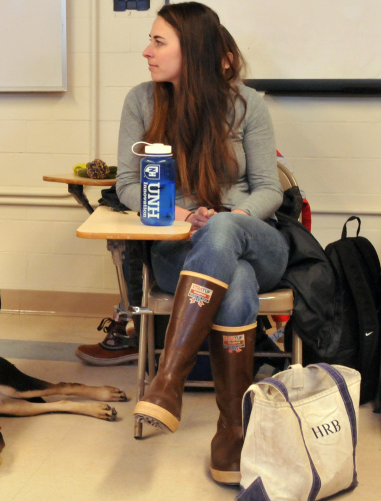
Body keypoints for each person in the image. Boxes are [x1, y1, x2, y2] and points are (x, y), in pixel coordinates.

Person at [115, 2, 288, 486]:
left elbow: (269, 189)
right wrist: (185, 214)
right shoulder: (141, 102)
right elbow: (127, 185)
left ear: (192, 50)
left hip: (254, 239)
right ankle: (232, 432)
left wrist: (232, 217)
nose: (146, 50)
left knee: (224, 231)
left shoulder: (247, 104)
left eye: (158, 41)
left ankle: (167, 380)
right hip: (182, 251)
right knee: (235, 288)